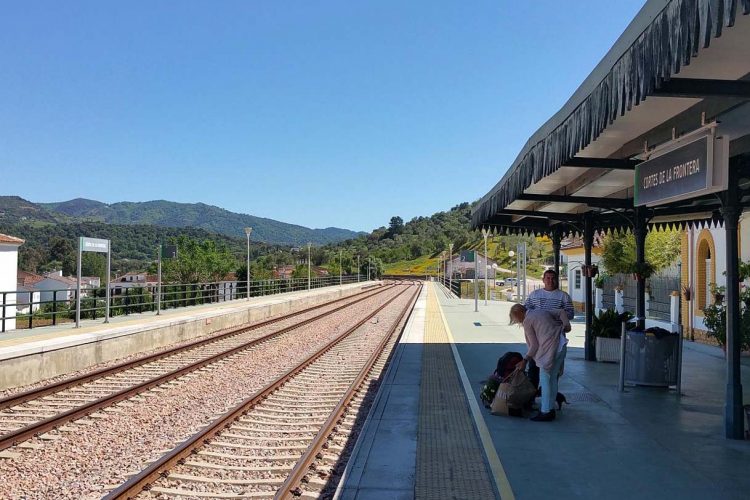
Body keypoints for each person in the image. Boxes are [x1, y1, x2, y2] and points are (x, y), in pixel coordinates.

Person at [509, 303, 570, 422]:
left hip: (551, 350)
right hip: (561, 345)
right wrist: (567, 324)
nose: (518, 323)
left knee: (545, 379)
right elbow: (561, 311)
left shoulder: (528, 321)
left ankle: (546, 412)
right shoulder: (539, 311)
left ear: (520, 313)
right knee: (552, 379)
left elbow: (534, 345)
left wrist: (525, 360)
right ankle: (550, 408)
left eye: (516, 319)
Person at [524, 269, 574, 387]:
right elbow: (526, 310)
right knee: (533, 366)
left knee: (553, 368)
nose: (550, 280)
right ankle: (531, 396)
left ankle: (551, 397)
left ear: (556, 280)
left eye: (553, 278)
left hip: (555, 337)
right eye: (548, 278)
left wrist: (553, 315)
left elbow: (570, 314)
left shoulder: (564, 296)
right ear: (543, 280)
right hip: (536, 336)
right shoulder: (534, 294)